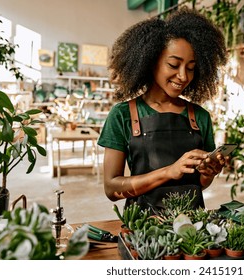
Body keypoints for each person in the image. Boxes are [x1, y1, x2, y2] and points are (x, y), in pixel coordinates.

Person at [97, 7, 228, 211]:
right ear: (151, 61)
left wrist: (207, 174)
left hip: (193, 230)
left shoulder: (200, 117)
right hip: (143, 231)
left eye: (191, 68)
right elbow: (112, 190)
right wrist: (169, 172)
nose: (183, 76)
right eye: (174, 65)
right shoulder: (122, 115)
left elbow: (199, 186)